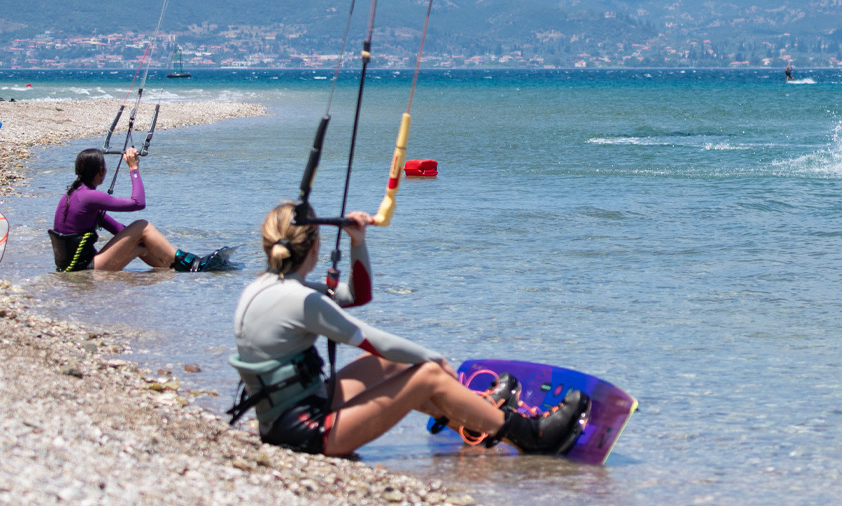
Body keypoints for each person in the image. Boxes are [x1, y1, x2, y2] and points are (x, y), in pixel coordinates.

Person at [229, 202, 588, 457]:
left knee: (395, 367)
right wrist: (436, 359)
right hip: (309, 434)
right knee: (427, 374)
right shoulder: (303, 300)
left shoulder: (262, 288)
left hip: (291, 417)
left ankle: (475, 421)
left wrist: (358, 242)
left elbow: (355, 296)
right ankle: (533, 436)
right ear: (315, 247)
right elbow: (373, 340)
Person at [50, 147, 213, 272]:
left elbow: (118, 229)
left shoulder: (75, 195)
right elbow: (138, 203)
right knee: (142, 225)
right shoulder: (88, 196)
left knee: (140, 248)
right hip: (85, 268)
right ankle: (190, 263)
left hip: (75, 267)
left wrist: (151, 243)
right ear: (101, 172)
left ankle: (174, 269)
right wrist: (133, 168)